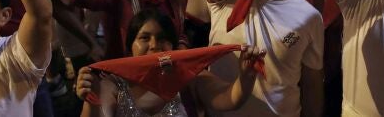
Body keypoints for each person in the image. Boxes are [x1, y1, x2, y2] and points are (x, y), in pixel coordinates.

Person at [75, 9, 265, 117]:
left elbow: (231, 99)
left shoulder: (190, 78)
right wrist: (91, 100)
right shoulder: (112, 84)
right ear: (130, 47)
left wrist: (246, 75)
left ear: (173, 47)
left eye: (162, 38)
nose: (154, 45)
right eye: (144, 38)